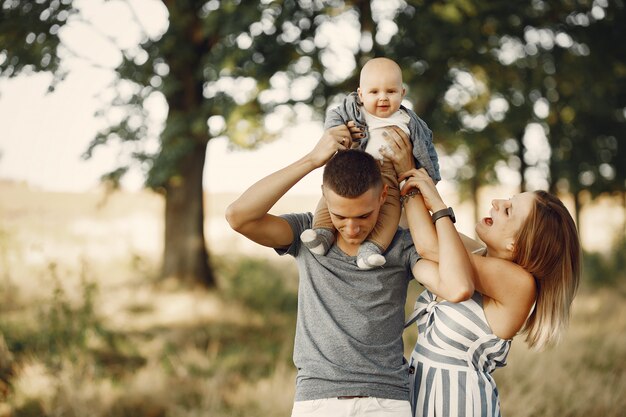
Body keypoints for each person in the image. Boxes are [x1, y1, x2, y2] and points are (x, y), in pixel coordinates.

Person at [225, 125, 473, 417]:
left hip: (385, 402)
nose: (352, 228)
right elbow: (238, 217)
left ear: (383, 196)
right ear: (324, 197)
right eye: (340, 215)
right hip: (316, 402)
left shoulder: (401, 245)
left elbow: (456, 287)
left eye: (364, 215)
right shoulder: (306, 235)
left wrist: (435, 204)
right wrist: (312, 160)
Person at [394, 165, 581, 417]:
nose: (496, 202)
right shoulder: (475, 255)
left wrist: (430, 196)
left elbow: (428, 246)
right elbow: (416, 230)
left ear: (515, 243)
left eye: (508, 209)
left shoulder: (519, 283)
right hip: (423, 402)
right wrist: (399, 171)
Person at [300, 57, 441, 270]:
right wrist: (342, 130)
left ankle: (372, 249)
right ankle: (322, 233)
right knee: (333, 197)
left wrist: (429, 177)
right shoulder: (352, 111)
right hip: (353, 167)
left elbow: (426, 149)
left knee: (391, 209)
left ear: (402, 93)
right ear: (361, 94)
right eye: (374, 92)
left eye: (391, 92)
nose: (383, 98)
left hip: (389, 173)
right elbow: (333, 120)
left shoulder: (410, 122)